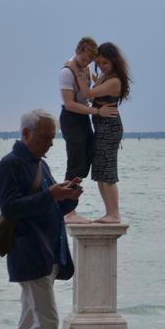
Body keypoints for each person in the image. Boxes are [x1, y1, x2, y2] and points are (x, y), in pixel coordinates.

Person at [0, 109, 82, 329]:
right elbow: (11, 209)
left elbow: (51, 207)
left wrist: (69, 194)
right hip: (29, 252)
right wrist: (51, 196)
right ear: (26, 134)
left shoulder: (39, 166)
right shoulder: (10, 165)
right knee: (47, 322)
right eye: (46, 137)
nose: (50, 144)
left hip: (45, 252)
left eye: (52, 138)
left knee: (29, 321)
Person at [58, 37, 117, 223]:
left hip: (84, 118)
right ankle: (67, 211)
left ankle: (71, 207)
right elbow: (69, 104)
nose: (86, 64)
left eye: (89, 61)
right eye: (83, 60)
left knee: (85, 161)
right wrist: (97, 110)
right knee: (75, 162)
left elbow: (92, 88)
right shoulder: (67, 72)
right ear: (77, 52)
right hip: (71, 118)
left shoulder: (86, 68)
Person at [73, 41, 129, 223]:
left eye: (106, 62)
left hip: (110, 127)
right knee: (99, 172)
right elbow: (96, 82)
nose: (102, 66)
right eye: (99, 63)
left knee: (108, 172)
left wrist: (76, 72)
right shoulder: (106, 76)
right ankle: (109, 212)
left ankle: (114, 213)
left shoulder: (114, 80)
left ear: (114, 61)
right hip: (101, 126)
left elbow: (89, 93)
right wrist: (89, 71)